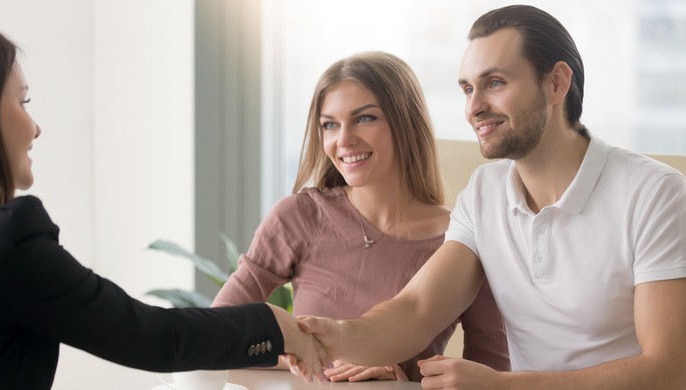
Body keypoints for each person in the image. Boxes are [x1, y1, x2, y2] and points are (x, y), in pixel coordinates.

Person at [0, 19, 326, 390]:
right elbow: (150, 337)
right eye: (23, 101)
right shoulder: (1, 242)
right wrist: (273, 324)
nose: (35, 127)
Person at [294, 5, 686, 389]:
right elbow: (415, 310)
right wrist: (333, 334)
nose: (474, 107)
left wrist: (505, 386)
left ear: (556, 83)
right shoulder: (484, 192)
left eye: (494, 83)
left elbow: (670, 370)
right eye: (467, 88)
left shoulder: (656, 195)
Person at [212, 51, 509, 382]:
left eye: (365, 118)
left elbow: (491, 375)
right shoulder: (299, 217)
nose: (344, 139)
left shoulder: (462, 239)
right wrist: (318, 361)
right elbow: (215, 335)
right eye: (329, 125)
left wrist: (404, 379)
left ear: (405, 122)